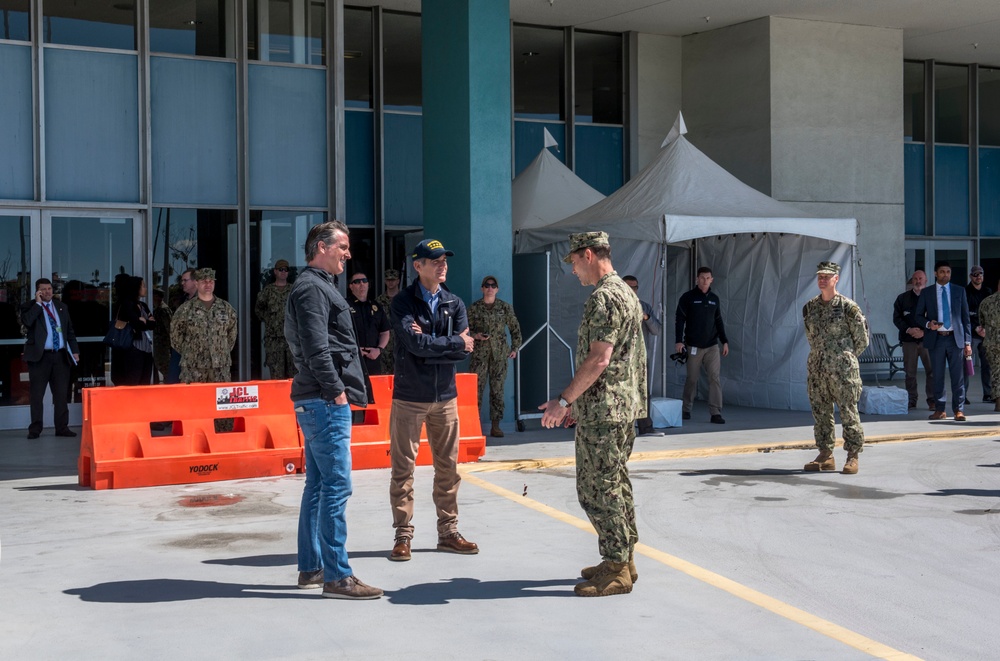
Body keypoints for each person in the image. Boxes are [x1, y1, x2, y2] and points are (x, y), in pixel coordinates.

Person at [538, 232, 646, 598]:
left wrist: (564, 402)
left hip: (606, 411)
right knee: (615, 483)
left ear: (588, 255)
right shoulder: (626, 293)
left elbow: (599, 359)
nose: (572, 270)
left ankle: (617, 568)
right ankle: (623, 558)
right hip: (618, 408)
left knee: (596, 490)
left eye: (572, 262)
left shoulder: (605, 298)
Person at [284, 220, 383, 600]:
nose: (348, 253)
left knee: (318, 486)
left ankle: (312, 568)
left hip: (319, 400)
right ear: (322, 247)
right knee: (337, 485)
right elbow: (316, 347)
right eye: (342, 246)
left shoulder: (318, 287)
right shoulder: (311, 289)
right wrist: (337, 392)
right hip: (324, 402)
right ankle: (338, 576)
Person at [388, 239, 478, 562]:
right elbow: (415, 345)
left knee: (448, 469)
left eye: (444, 260)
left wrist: (439, 344)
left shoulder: (454, 303)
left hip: (445, 398)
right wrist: (451, 343)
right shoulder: (402, 303)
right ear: (418, 266)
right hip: (410, 397)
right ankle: (403, 535)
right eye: (435, 260)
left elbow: (465, 349)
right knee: (403, 470)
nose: (442, 265)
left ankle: (448, 532)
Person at [802, 261, 869, 474]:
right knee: (821, 413)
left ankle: (852, 456)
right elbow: (810, 336)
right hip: (818, 369)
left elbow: (862, 340)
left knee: (849, 412)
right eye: (820, 276)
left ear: (836, 279)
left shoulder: (848, 307)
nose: (822, 280)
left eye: (827, 276)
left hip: (843, 370)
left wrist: (843, 358)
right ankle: (825, 454)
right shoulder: (810, 307)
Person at [21, 278, 80, 439]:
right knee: (37, 395)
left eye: (49, 289)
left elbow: (69, 331)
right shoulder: (30, 307)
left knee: (61, 394)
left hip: (60, 356)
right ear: (37, 292)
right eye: (43, 289)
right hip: (40, 358)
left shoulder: (61, 307)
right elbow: (27, 322)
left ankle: (62, 427)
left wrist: (74, 351)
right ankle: (35, 428)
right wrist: (38, 304)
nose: (47, 292)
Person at [916, 261, 973, 421]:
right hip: (937, 339)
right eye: (942, 272)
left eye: (948, 272)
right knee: (937, 376)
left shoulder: (959, 291)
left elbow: (965, 318)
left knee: (958, 376)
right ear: (935, 273)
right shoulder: (927, 293)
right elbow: (918, 316)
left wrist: (967, 342)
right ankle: (940, 409)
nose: (945, 275)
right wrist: (929, 324)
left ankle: (959, 410)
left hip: (956, 339)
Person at [467, 275, 522, 438]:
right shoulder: (474, 308)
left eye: (493, 285)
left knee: (497, 390)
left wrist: (515, 347)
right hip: (479, 355)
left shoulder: (505, 308)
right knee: (476, 390)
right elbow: (464, 329)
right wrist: (476, 336)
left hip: (499, 355)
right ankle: (474, 424)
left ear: (497, 289)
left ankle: (496, 425)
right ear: (482, 288)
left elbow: (515, 328)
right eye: (487, 285)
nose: (490, 288)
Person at [674, 266, 729, 424]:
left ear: (712, 279)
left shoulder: (714, 299)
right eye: (702, 278)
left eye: (708, 278)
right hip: (693, 346)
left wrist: (725, 341)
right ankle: (686, 408)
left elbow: (718, 321)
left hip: (712, 346)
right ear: (697, 279)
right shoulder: (688, 297)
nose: (705, 280)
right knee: (692, 378)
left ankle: (715, 412)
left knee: (714, 378)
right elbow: (680, 319)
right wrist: (679, 340)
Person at [170, 268, 237, 384]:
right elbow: (175, 336)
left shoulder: (226, 308)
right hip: (193, 367)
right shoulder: (185, 309)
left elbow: (231, 336)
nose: (208, 284)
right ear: (196, 283)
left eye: (211, 281)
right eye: (203, 281)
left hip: (219, 367)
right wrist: (190, 352)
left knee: (218, 400)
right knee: (193, 400)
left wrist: (220, 351)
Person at [623, 275, 662, 434]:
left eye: (635, 287)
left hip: (639, 358)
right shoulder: (615, 306)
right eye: (629, 287)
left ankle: (646, 427)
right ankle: (623, 428)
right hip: (620, 359)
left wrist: (646, 316)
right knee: (621, 393)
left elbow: (657, 330)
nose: (632, 290)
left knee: (642, 393)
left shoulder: (644, 306)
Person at [892, 270, 934, 410]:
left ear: (926, 280)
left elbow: (938, 319)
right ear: (912, 281)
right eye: (915, 279)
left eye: (920, 278)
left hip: (927, 340)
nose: (918, 281)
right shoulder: (902, 298)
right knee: (910, 373)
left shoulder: (932, 298)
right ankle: (911, 399)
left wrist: (924, 332)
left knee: (932, 371)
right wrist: (909, 329)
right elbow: (897, 318)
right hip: (908, 340)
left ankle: (932, 400)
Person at [254, 259, 297, 379]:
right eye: (281, 269)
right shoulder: (268, 291)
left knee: (294, 373)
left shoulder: (294, 290)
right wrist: (269, 320)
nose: (284, 272)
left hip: (291, 338)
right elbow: (258, 309)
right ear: (275, 272)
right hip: (274, 339)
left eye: (286, 270)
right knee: (276, 373)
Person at [110, 276, 155, 386]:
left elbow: (153, 324)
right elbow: (137, 324)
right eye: (143, 286)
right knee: (131, 383)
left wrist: (145, 321)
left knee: (144, 383)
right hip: (131, 348)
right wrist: (143, 321)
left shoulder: (143, 305)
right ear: (136, 288)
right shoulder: (126, 304)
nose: (145, 289)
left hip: (145, 349)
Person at [347, 271, 390, 376]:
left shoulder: (376, 307)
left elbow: (385, 332)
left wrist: (379, 350)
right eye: (357, 282)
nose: (362, 284)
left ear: (368, 284)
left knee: (374, 390)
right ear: (351, 286)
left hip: (373, 359)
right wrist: (354, 350)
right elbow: (338, 334)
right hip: (353, 359)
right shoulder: (345, 306)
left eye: (364, 281)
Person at [966, 265, 993, 403]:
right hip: (971, 334)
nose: (978, 277)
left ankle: (988, 394)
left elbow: (991, 312)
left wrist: (986, 329)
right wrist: (976, 327)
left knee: (987, 365)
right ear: (971, 276)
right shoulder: (965, 292)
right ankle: (962, 395)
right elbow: (964, 315)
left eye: (980, 274)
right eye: (975, 274)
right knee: (967, 364)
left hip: (985, 334)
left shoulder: (987, 292)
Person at [166, 268, 198, 384]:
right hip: (179, 348)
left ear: (195, 281)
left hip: (194, 351)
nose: (182, 283)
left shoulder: (205, 301)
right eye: (182, 280)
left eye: (185, 280)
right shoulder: (182, 300)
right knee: (173, 382)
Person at [976, 283, 1000, 413]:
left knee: (996, 373)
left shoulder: (986, 302)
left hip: (992, 343)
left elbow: (981, 323)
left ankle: (998, 402)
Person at [377, 269, 402, 376]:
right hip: (384, 346)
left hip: (400, 343)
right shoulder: (378, 301)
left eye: (393, 280)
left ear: (398, 281)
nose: (390, 282)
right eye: (388, 280)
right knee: (383, 375)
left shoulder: (404, 300)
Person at [151, 287, 172, 384]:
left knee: (165, 367)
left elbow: (169, 328)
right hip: (157, 345)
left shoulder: (163, 310)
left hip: (163, 346)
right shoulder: (157, 310)